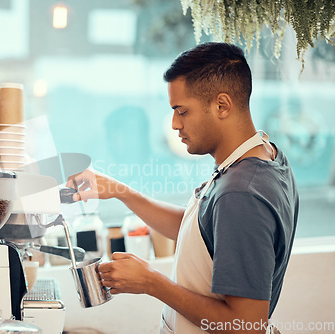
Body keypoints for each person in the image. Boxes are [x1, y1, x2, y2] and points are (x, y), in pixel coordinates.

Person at [66, 42, 299, 334]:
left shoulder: (240, 194)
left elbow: (247, 326)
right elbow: (198, 234)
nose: (175, 124)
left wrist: (152, 282)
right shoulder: (263, 154)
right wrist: (119, 190)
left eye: (182, 111)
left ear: (222, 105)